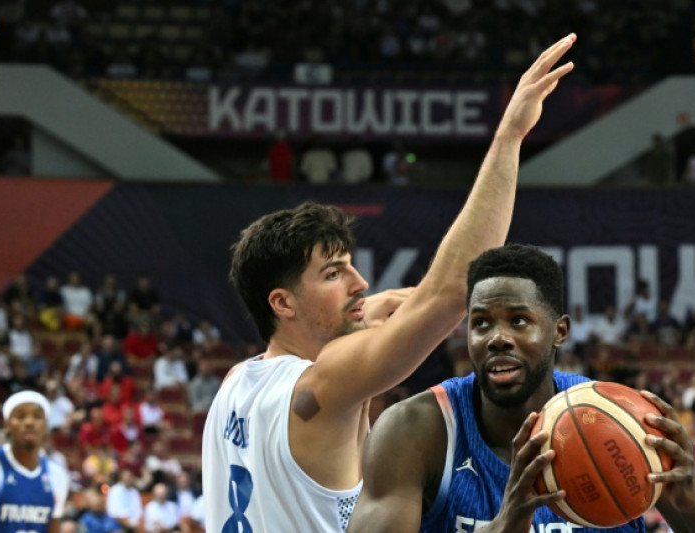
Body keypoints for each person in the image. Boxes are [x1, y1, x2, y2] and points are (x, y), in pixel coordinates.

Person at [202, 34, 580, 533]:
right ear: (282, 302)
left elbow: (361, 320)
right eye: (334, 273)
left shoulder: (236, 382)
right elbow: (449, 293)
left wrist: (369, 310)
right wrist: (509, 137)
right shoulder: (325, 384)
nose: (359, 282)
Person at [348, 245, 695, 532]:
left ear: (560, 331)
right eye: (481, 323)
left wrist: (692, 505)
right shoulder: (418, 430)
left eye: (519, 321)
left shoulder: (623, 421)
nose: (497, 338)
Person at [0, 390, 71, 533]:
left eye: (37, 416)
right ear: (6, 424)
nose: (29, 422)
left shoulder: (57, 474)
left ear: (46, 425)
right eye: (20, 416)